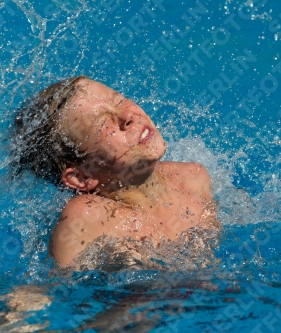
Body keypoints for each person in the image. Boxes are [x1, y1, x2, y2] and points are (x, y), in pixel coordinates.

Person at [12, 75, 220, 270]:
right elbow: (54, 292)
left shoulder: (193, 178)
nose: (127, 115)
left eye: (119, 100)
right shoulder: (87, 217)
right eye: (103, 123)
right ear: (81, 177)